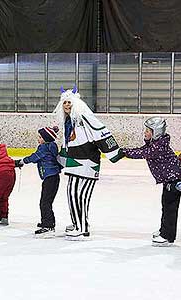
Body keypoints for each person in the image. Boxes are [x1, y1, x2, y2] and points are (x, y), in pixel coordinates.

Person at [54, 86, 123, 240]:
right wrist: (60, 160)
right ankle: (78, 223)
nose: (67, 105)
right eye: (64, 103)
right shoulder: (68, 122)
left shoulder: (84, 118)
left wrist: (114, 153)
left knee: (79, 195)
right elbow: (68, 144)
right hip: (75, 163)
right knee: (72, 194)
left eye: (69, 103)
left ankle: (82, 228)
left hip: (87, 163)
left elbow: (102, 132)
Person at [122, 117, 181, 247]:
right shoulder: (156, 143)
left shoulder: (158, 146)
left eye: (148, 130)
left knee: (170, 208)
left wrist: (124, 152)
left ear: (156, 132)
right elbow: (143, 149)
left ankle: (167, 236)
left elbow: (143, 153)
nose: (145, 132)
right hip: (169, 179)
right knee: (166, 206)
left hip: (173, 180)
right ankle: (164, 230)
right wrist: (125, 151)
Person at [16, 126, 62, 238]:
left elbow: (34, 157)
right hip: (52, 177)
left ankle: (48, 225)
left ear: (46, 138)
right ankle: (48, 222)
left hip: (50, 177)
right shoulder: (51, 146)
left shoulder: (44, 147)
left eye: (40, 137)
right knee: (46, 201)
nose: (38, 139)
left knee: (45, 202)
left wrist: (22, 161)